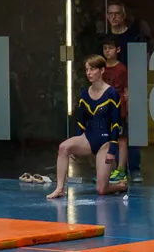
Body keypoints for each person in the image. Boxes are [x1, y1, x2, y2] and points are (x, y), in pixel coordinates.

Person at [49, 54, 126, 199]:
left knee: (101, 190)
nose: (89, 73)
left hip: (105, 142)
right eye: (87, 70)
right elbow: (81, 121)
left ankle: (120, 186)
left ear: (102, 70)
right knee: (64, 147)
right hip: (88, 138)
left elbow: (116, 123)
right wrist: (77, 139)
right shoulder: (85, 94)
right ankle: (59, 188)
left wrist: (112, 149)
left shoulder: (112, 94)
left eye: (92, 69)